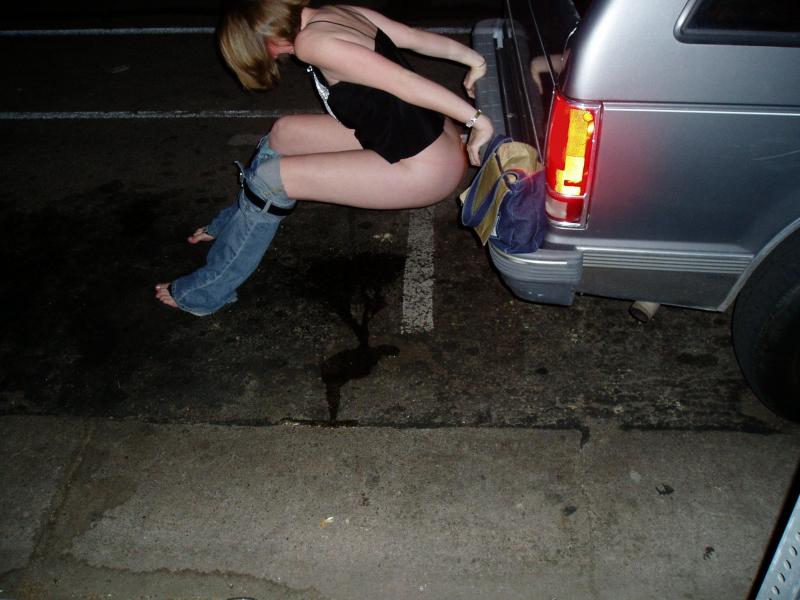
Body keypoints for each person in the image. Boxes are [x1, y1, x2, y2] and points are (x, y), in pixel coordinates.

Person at [155, 0, 494, 315]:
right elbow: (414, 38)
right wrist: (475, 61)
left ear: (267, 39)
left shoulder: (311, 44)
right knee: (283, 133)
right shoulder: (332, 12)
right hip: (428, 136)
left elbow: (404, 82)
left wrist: (477, 121)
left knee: (272, 180)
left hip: (424, 167)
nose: (269, 60)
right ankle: (233, 222)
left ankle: (208, 290)